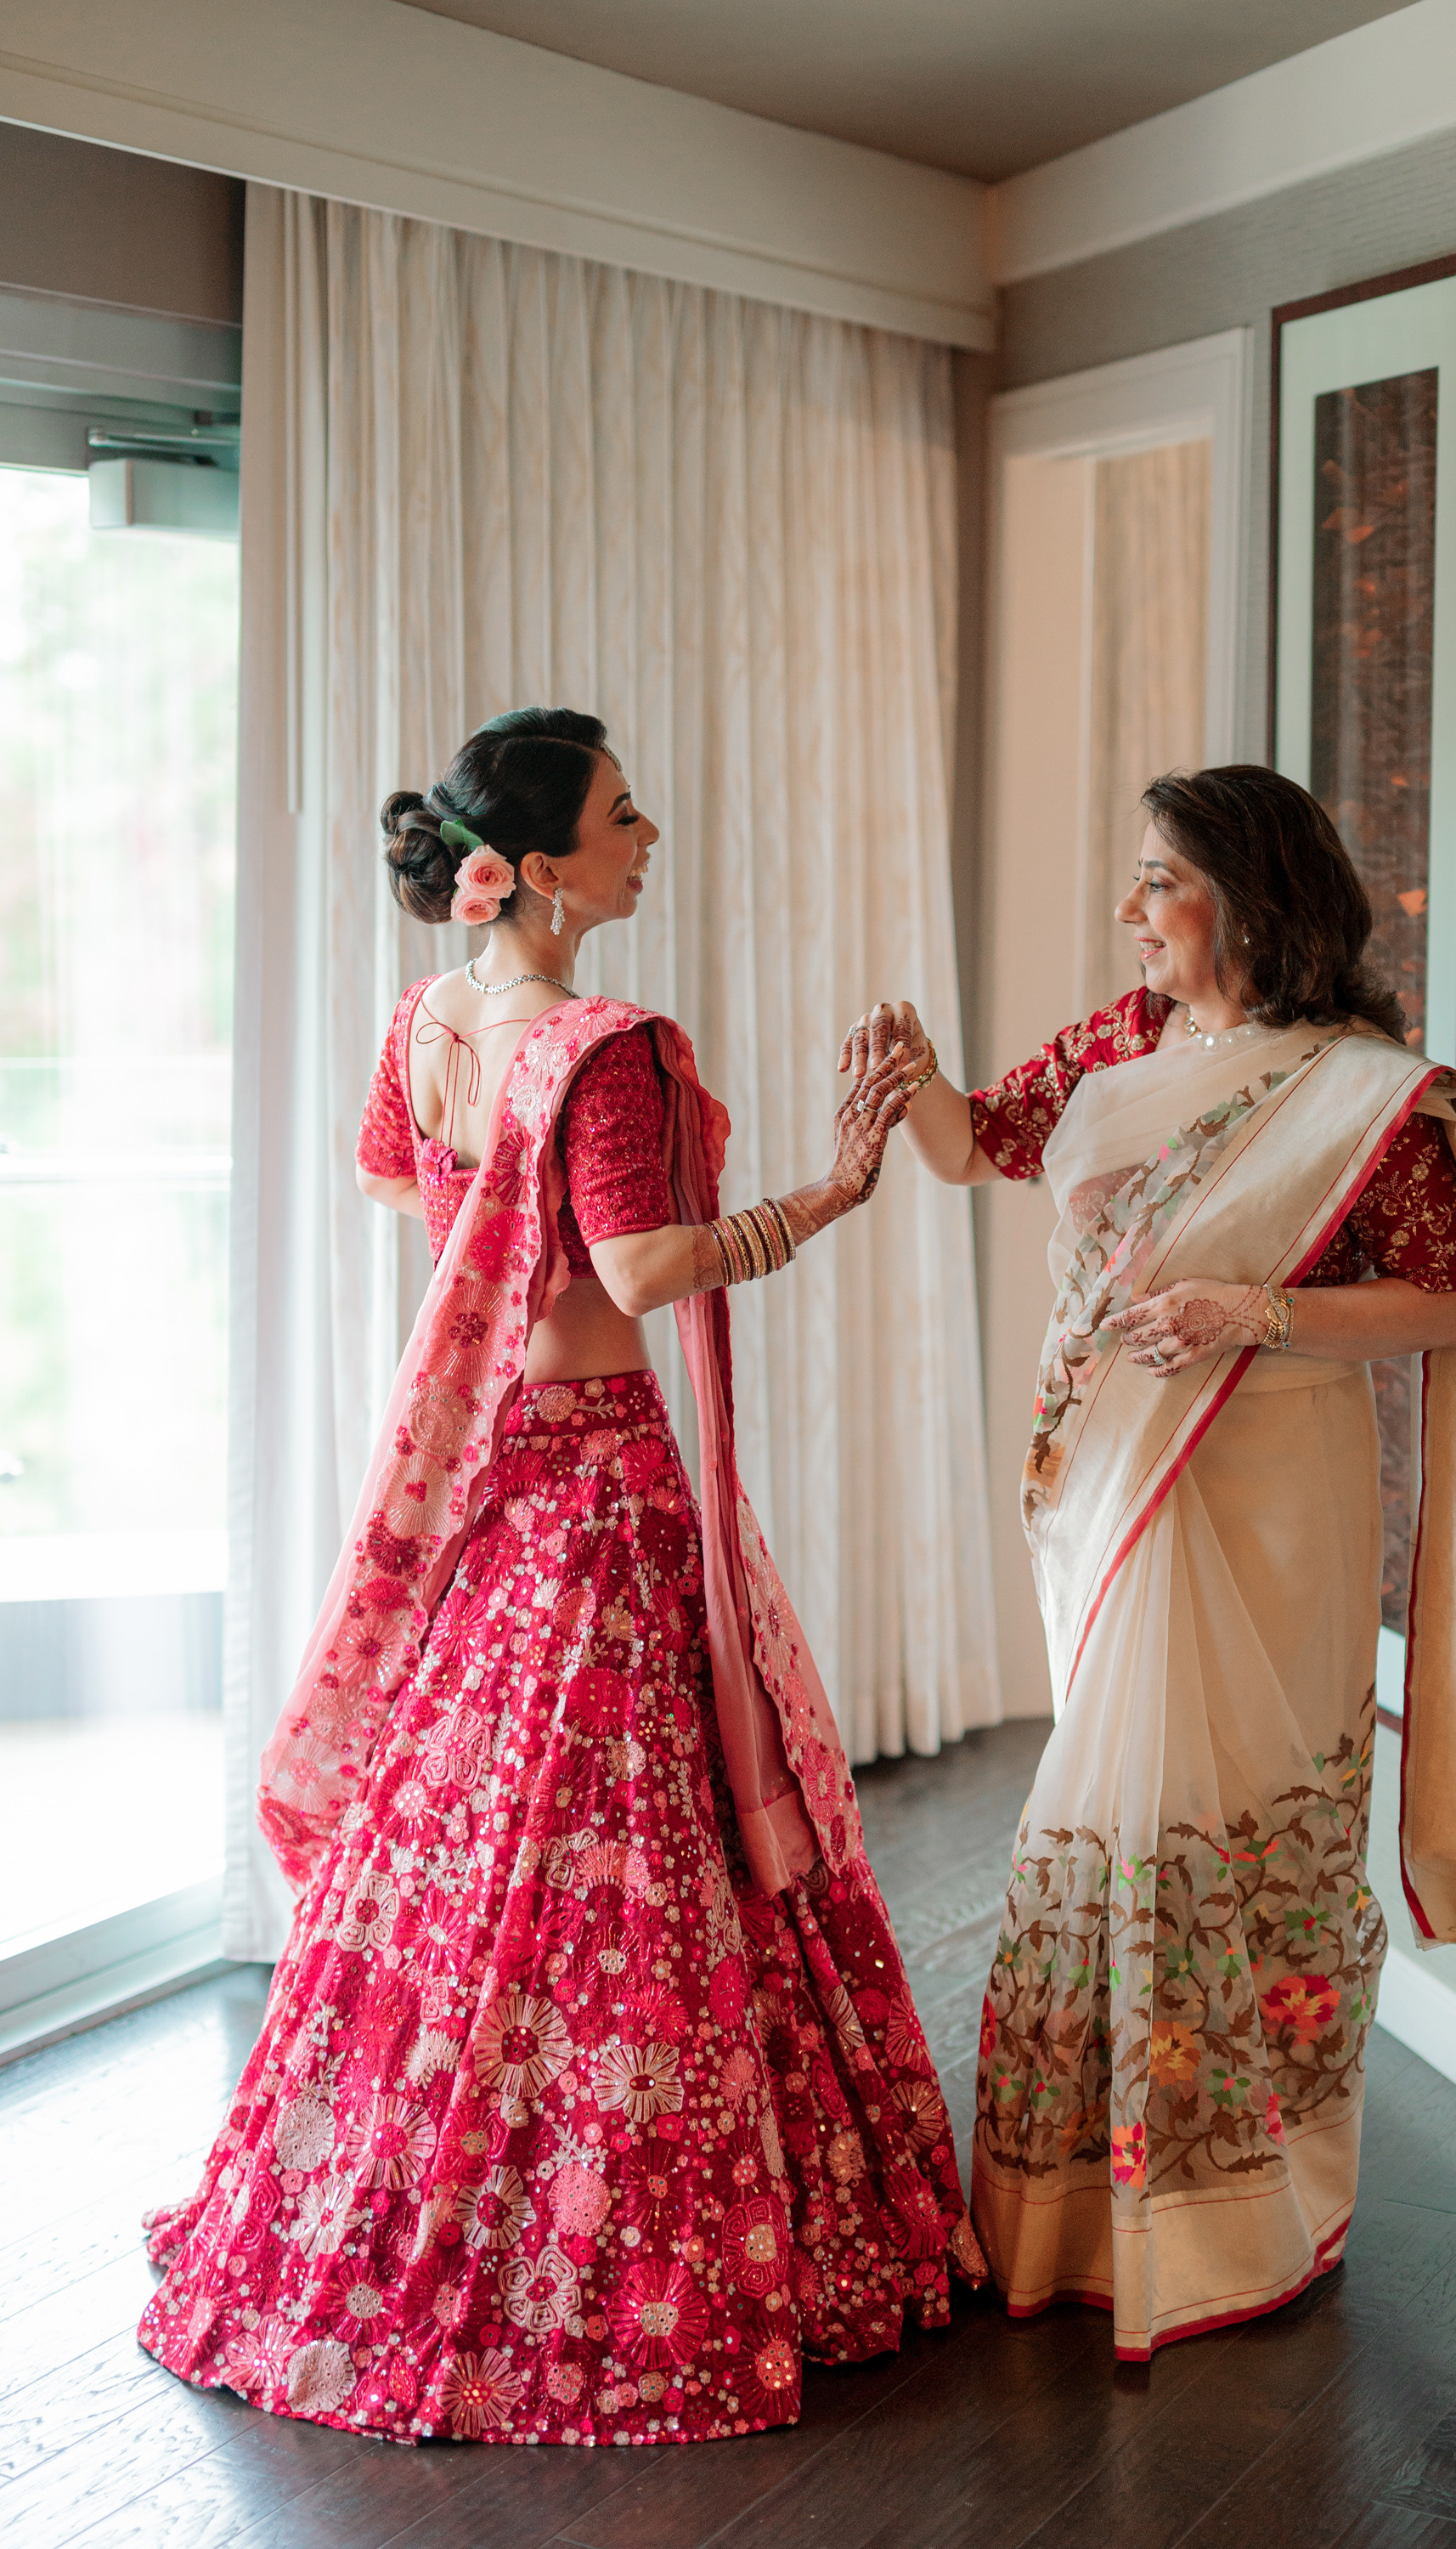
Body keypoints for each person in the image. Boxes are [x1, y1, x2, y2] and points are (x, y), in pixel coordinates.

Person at [140, 706, 982, 2448]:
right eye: (620, 813)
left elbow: (396, 1181)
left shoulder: (429, 1021)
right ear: (529, 872)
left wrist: (485, 1248)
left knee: (452, 1844)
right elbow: (652, 1259)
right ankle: (604, 2255)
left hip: (470, 1484)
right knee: (631, 1857)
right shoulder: (605, 1049)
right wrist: (832, 1188)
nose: (648, 831)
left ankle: (398, 2194)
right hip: (591, 1478)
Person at [840, 764, 1456, 2363]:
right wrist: (917, 1087)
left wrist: (1256, 1313)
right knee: (1111, 1809)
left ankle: (1239, 2215)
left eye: (1157, 880)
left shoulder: (1368, 1090)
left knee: (1223, 1817)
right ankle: (1069, 2210)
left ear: (1248, 897)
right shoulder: (1117, 1042)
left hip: (1271, 1486)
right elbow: (978, 1150)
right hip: (1105, 1482)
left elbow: (1449, 1303)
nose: (1129, 909)